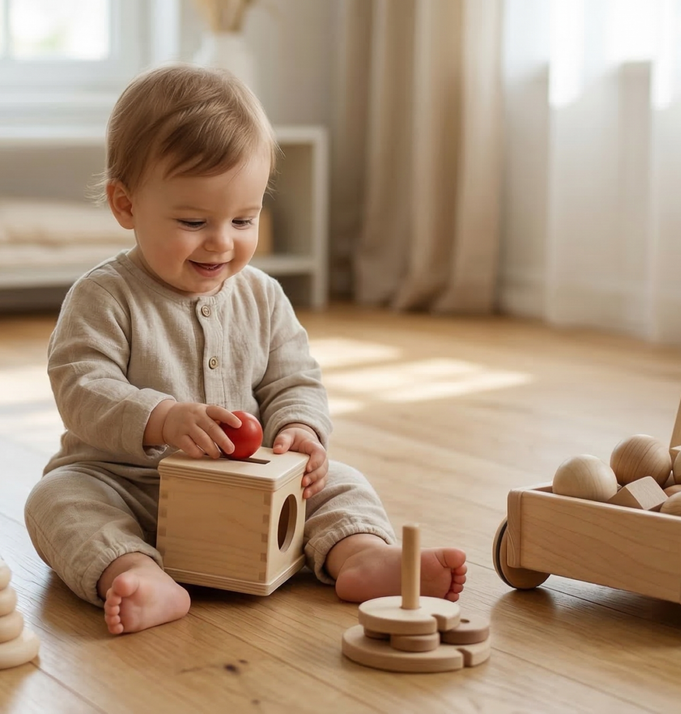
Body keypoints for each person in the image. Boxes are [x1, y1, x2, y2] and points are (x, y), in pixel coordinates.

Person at [25, 64, 467, 635]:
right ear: (126, 206)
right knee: (56, 498)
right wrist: (160, 418)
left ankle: (359, 555)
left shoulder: (263, 295)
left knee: (341, 481)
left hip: (252, 486)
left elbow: (294, 379)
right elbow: (82, 386)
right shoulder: (104, 295)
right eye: (192, 220)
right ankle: (136, 571)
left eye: (244, 219)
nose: (222, 241)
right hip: (132, 485)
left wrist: (301, 431)